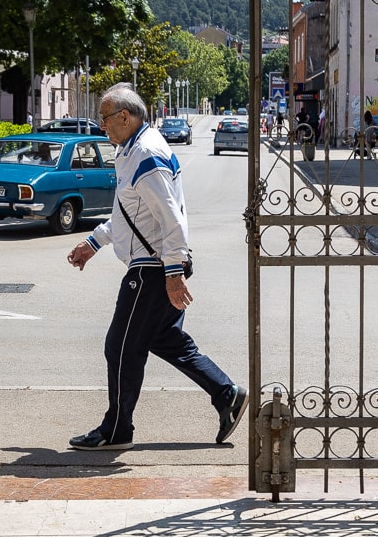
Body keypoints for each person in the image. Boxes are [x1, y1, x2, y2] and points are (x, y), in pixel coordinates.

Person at [66, 83, 248, 451]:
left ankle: (116, 429)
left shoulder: (145, 154)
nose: (101, 125)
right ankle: (226, 393)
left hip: (152, 268)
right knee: (166, 340)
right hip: (156, 264)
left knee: (119, 347)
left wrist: (173, 272)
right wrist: (94, 242)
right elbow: (130, 213)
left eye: (105, 118)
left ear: (125, 116)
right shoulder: (132, 151)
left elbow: (171, 218)